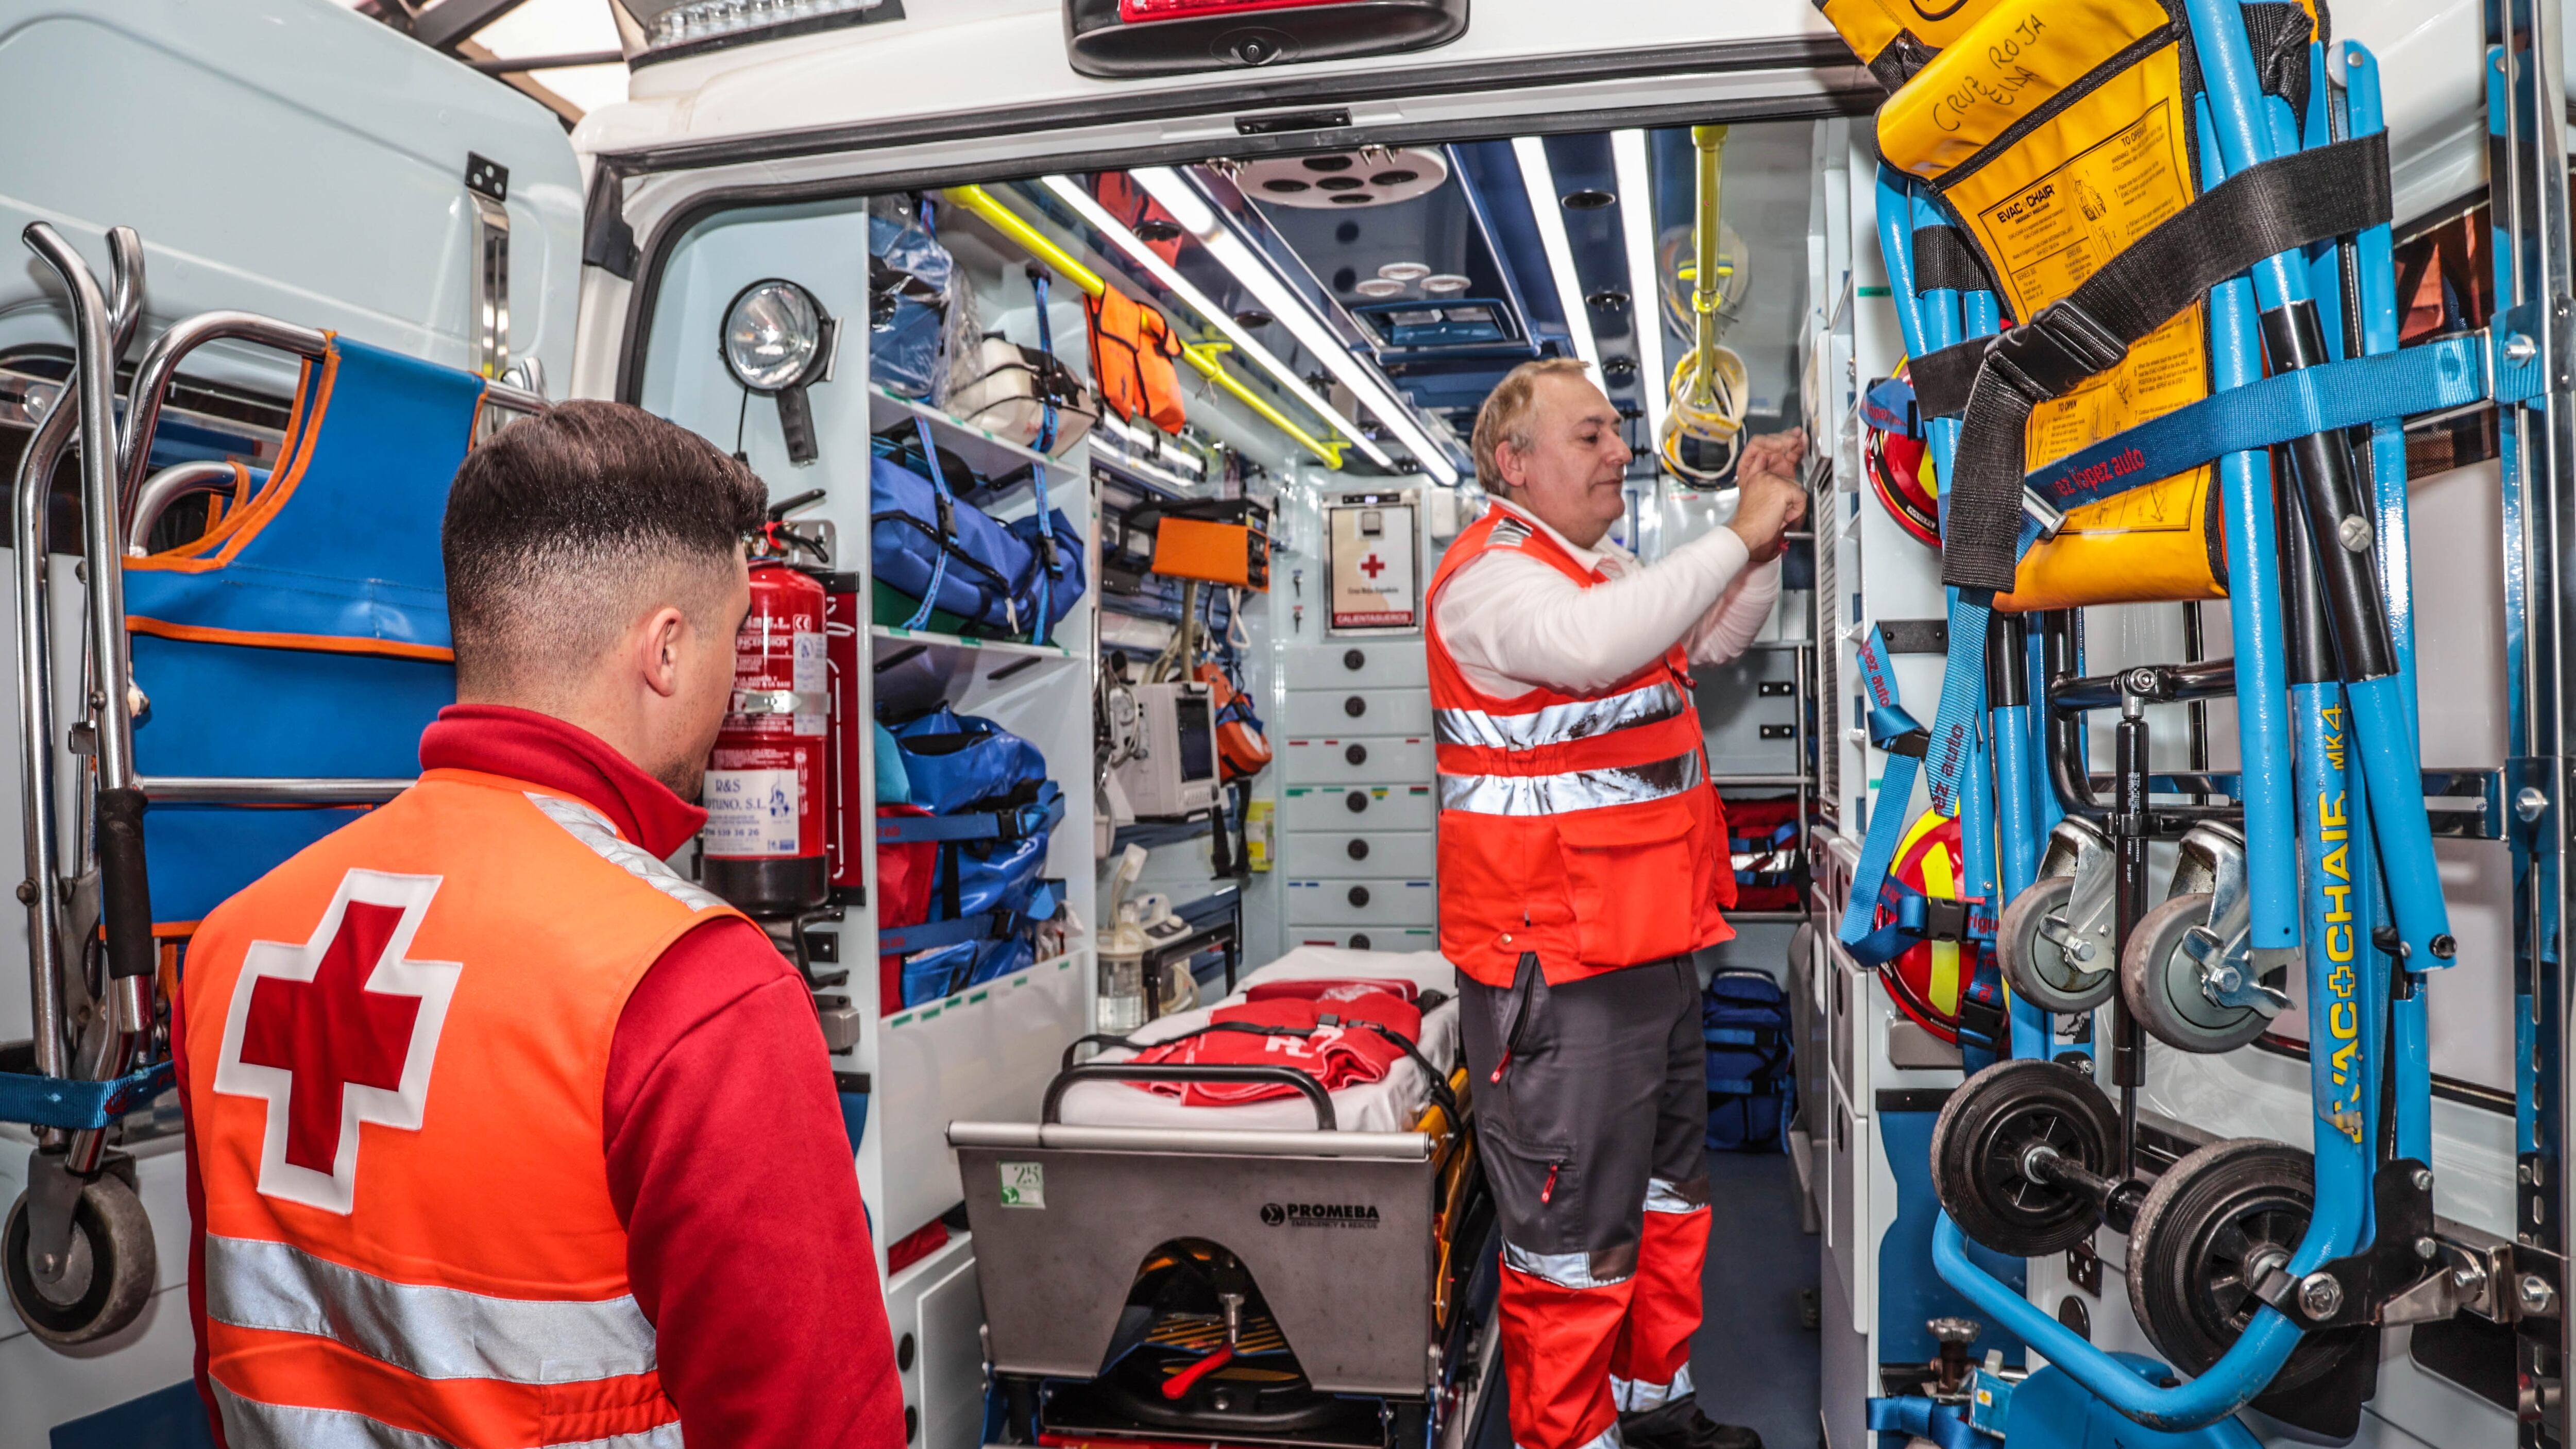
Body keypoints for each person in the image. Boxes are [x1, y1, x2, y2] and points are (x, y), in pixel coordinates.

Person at [174, 402, 905, 1449]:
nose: (738, 681)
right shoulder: (692, 989)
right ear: (666, 650)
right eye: (736, 638)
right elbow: (814, 1426)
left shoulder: (234, 944)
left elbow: (231, 1355)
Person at [1432, 357, 1806, 1449]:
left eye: (1613, 433)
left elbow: (1712, 640)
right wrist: (1735, 531)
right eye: (1588, 435)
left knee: (1667, 1200)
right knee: (1569, 1235)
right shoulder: (1493, 578)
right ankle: (1569, 1437)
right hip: (1555, 972)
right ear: (1515, 460)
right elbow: (1596, 649)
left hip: (1645, 950)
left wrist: (1762, 549)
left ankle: (1652, 1406)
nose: (1616, 453)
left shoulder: (1595, 568)